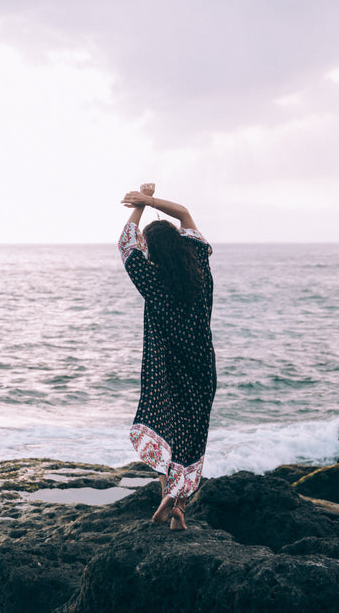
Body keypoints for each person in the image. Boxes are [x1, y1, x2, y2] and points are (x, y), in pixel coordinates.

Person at [119, 183, 216, 531]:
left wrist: (139, 206)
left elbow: (126, 242)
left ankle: (167, 494)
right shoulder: (200, 268)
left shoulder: (151, 279)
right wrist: (151, 200)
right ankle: (178, 506)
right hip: (203, 368)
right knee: (192, 435)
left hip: (166, 371)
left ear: (152, 250)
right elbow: (186, 214)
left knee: (166, 429)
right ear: (178, 242)